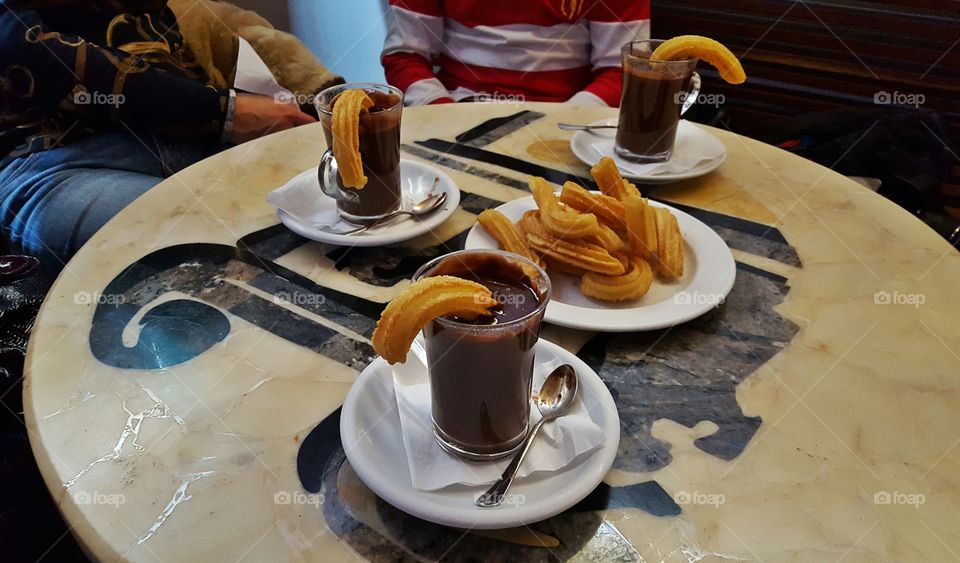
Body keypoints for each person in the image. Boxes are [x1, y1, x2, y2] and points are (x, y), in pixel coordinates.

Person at [0, 0, 319, 275]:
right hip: (52, 169)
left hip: (193, 150)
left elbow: (209, 49)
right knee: (202, 242)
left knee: (320, 209)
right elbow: (40, 57)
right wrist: (227, 110)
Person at [381, 0, 650, 107]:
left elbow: (625, 67)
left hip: (567, 115)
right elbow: (405, 55)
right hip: (455, 107)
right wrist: (443, 115)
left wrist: (569, 119)